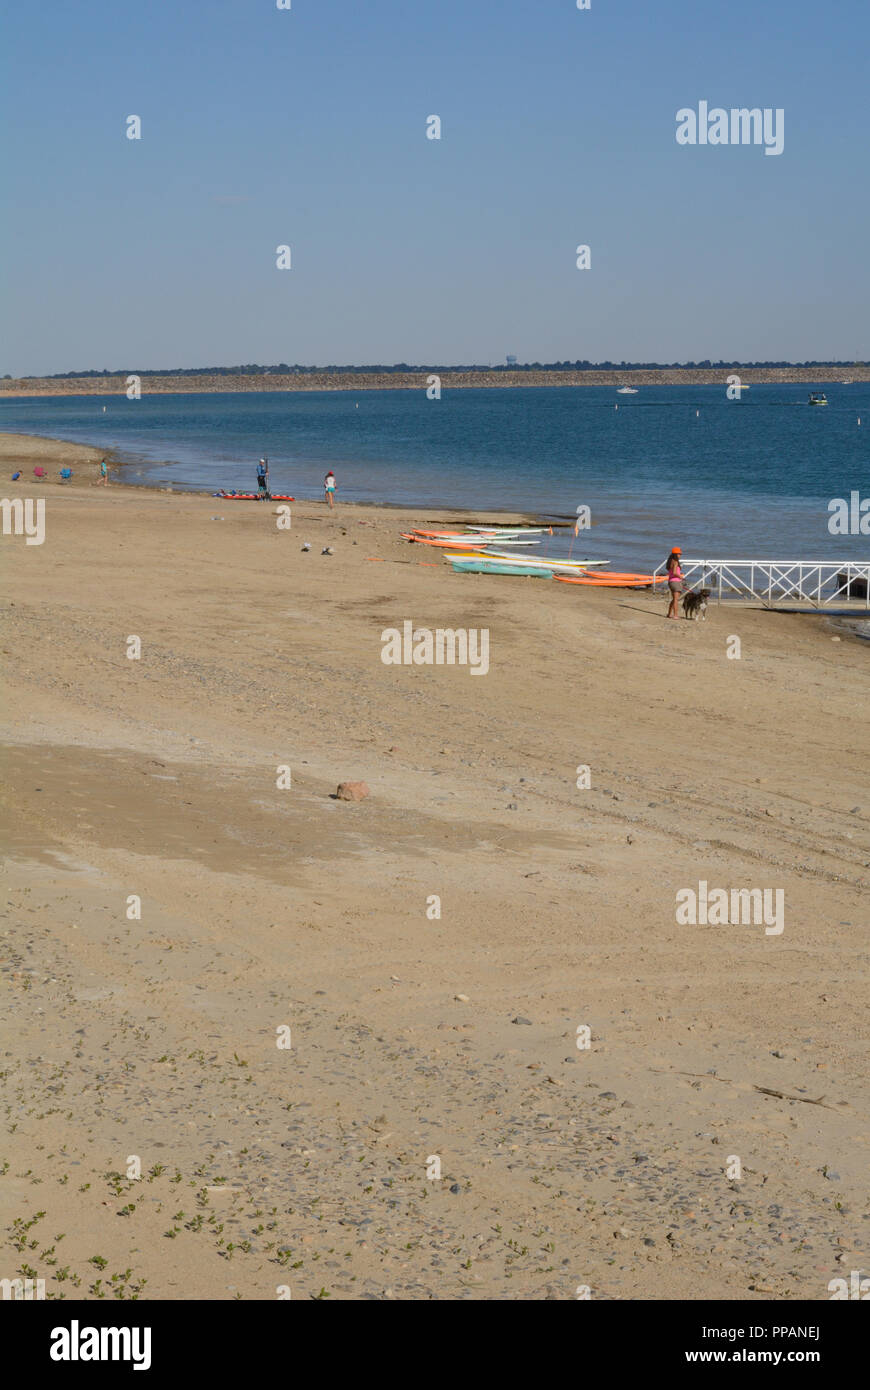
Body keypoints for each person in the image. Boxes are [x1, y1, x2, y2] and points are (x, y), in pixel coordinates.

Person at [665, 546, 683, 619]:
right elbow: (675, 572)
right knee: (676, 599)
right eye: (679, 554)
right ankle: (675, 615)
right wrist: (680, 576)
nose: (680, 555)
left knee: (674, 599)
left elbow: (672, 572)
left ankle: (669, 614)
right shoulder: (675, 562)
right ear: (676, 554)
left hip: (671, 581)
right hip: (675, 582)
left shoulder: (670, 561)